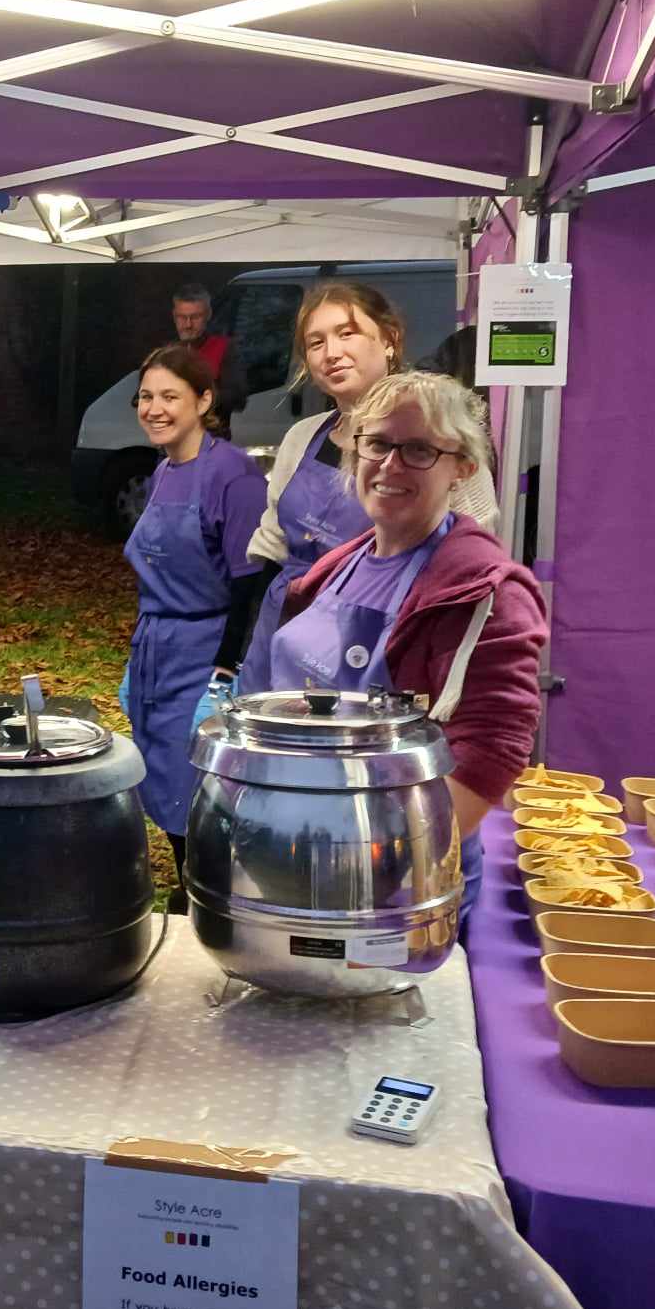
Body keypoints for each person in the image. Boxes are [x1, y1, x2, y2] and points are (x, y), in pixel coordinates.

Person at [238, 370, 547, 928]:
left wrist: (377, 868)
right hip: (298, 856)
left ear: (463, 468)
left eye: (420, 449)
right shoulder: (338, 567)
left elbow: (493, 752)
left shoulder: (484, 590)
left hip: (397, 883)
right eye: (377, 444)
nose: (390, 465)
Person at [118, 345, 268, 904]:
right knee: (161, 778)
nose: (155, 409)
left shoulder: (233, 474)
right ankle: (189, 886)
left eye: (170, 397)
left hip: (206, 653)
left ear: (204, 400)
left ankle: (213, 899)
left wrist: (225, 673)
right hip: (158, 647)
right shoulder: (160, 470)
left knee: (201, 790)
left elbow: (250, 582)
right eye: (147, 397)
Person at [245, 281, 498, 597]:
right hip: (284, 623)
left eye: (347, 333)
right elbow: (272, 544)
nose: (332, 353)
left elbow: (474, 564)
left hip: (381, 631)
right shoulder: (301, 437)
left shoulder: (441, 439)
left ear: (390, 339)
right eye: (316, 343)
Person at [169, 284, 247, 429]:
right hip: (175, 442)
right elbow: (140, 398)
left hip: (212, 440)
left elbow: (237, 399)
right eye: (182, 317)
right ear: (174, 316)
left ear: (208, 315)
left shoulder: (224, 348)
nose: (188, 325)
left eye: (195, 317)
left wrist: (195, 396)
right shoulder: (166, 353)